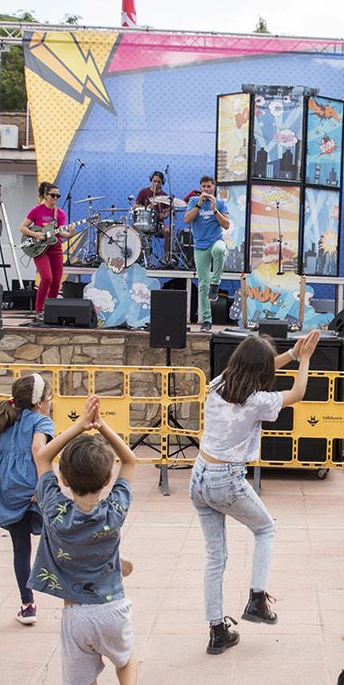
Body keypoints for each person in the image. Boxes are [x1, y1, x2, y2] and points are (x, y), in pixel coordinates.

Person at [31, 395, 143, 685]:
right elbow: (131, 461)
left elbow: (43, 457)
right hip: (113, 608)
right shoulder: (114, 511)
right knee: (126, 660)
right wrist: (102, 427)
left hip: (76, 615)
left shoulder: (54, 510)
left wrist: (78, 426)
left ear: (63, 479)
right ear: (108, 480)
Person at [191, 330, 319, 654]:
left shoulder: (218, 383)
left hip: (199, 476)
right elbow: (297, 393)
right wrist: (304, 359)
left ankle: (217, 631)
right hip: (226, 479)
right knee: (265, 529)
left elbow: (255, 367)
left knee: (215, 557)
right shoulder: (257, 401)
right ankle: (257, 599)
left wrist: (291, 354)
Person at [0, 373, 55, 626]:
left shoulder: (7, 416)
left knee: (21, 548)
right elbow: (37, 449)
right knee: (57, 534)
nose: (50, 401)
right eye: (49, 397)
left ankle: (27, 605)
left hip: (8, 487)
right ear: (39, 402)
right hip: (30, 484)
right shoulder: (42, 421)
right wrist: (42, 485)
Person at [183, 175, 231, 331]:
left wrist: (215, 210)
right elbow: (186, 220)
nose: (206, 189)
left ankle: (215, 283)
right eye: (203, 186)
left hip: (215, 241)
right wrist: (198, 204)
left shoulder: (221, 203)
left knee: (220, 249)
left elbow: (227, 225)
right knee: (203, 285)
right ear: (200, 188)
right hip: (200, 247)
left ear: (214, 187)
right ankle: (206, 321)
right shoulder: (193, 201)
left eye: (209, 186)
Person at [20, 181, 74, 315]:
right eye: (53, 195)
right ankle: (39, 310)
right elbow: (23, 228)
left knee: (56, 281)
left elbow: (61, 232)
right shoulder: (37, 210)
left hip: (55, 248)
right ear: (45, 195)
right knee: (46, 278)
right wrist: (36, 234)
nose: (55, 198)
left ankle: (50, 310)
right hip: (40, 248)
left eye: (57, 196)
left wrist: (70, 234)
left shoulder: (60, 213)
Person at [134, 170, 173, 265]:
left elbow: (167, 211)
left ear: (162, 182)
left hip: (158, 223)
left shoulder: (164, 196)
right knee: (135, 232)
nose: (156, 183)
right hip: (144, 221)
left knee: (168, 232)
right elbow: (135, 206)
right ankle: (138, 259)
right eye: (154, 181)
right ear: (151, 180)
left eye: (158, 182)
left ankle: (167, 258)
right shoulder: (144, 192)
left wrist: (164, 215)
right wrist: (146, 208)